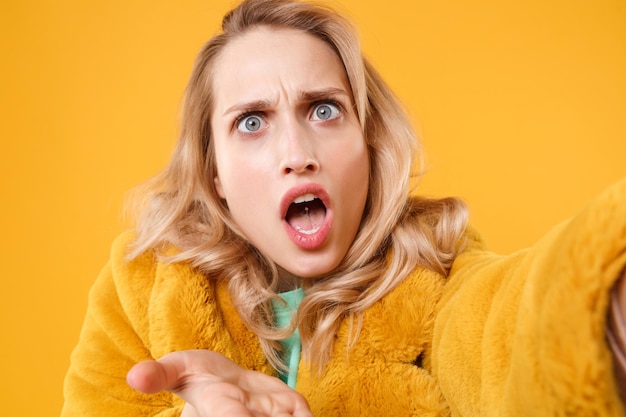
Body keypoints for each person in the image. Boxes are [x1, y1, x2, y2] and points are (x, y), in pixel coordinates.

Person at [61, 0, 626, 416]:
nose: (296, 154)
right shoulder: (141, 288)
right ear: (216, 174)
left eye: (325, 110)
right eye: (251, 122)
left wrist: (601, 302)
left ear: (368, 141)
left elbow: (502, 326)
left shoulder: (434, 270)